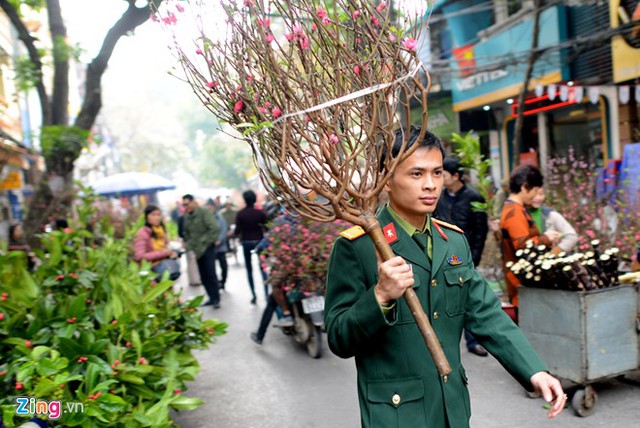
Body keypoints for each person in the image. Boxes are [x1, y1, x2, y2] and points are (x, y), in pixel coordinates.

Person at [324, 127, 566, 428]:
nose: (430, 185)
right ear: (386, 179)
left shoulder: (452, 241)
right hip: (396, 415)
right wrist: (380, 296)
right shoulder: (358, 247)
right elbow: (337, 337)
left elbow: (486, 313)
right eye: (416, 174)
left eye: (437, 173)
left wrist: (534, 370)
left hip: (452, 409)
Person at [434, 156, 489, 357]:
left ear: (456, 175)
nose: (439, 179)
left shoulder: (474, 198)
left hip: (466, 257)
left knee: (470, 299)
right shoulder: (438, 198)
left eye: (442, 174)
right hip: (442, 256)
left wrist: (474, 257)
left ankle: (473, 341)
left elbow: (481, 232)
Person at [500, 165, 559, 308]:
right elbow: (523, 246)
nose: (535, 196)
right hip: (520, 284)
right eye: (534, 191)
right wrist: (546, 238)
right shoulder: (514, 212)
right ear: (524, 187)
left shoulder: (517, 209)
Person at [182, 194, 221, 308]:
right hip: (196, 250)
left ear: (193, 202)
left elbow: (214, 228)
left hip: (207, 248)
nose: (186, 206)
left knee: (211, 274)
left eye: (187, 204)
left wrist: (205, 242)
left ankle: (216, 299)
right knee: (203, 276)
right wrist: (189, 245)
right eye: (184, 205)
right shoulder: (186, 216)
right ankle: (211, 297)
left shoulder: (204, 212)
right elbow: (187, 233)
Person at [235, 190, 268, 304]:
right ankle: (266, 293)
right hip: (259, 241)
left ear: (245, 200)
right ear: (255, 200)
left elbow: (237, 231)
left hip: (246, 242)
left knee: (249, 269)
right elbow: (268, 227)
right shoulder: (260, 213)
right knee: (263, 268)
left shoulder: (240, 214)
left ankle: (254, 295)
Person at [133, 205, 180, 281]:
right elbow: (140, 256)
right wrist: (164, 253)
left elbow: (166, 247)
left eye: (158, 215)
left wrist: (171, 253)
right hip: (151, 272)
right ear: (147, 216)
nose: (157, 217)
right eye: (153, 215)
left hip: (165, 268)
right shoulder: (142, 233)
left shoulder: (160, 230)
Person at [527, 188, 578, 255]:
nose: (538, 198)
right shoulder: (520, 214)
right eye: (534, 194)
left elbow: (572, 236)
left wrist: (556, 251)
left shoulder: (550, 215)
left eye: (541, 194)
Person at [205, 199, 229, 290]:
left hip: (220, 246)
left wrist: (219, 240)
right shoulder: (206, 218)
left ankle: (223, 281)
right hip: (211, 247)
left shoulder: (219, 217)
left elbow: (223, 229)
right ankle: (215, 284)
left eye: (210, 207)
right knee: (211, 268)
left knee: (224, 266)